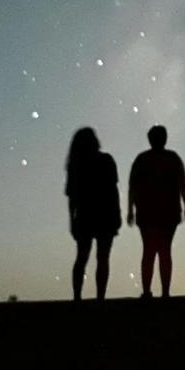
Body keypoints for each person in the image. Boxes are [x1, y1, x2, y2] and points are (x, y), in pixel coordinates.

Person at [127, 125, 185, 298]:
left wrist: (130, 208)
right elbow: (182, 184)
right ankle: (165, 292)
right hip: (168, 211)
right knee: (165, 251)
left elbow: (132, 186)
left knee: (149, 251)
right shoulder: (173, 158)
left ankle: (147, 290)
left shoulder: (141, 160)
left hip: (147, 211)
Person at [65, 127, 121, 302]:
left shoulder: (76, 166)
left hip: (85, 216)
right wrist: (117, 213)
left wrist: (71, 221)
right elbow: (114, 191)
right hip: (105, 214)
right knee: (102, 258)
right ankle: (100, 297)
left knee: (82, 257)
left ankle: (77, 297)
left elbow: (72, 198)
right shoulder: (106, 160)